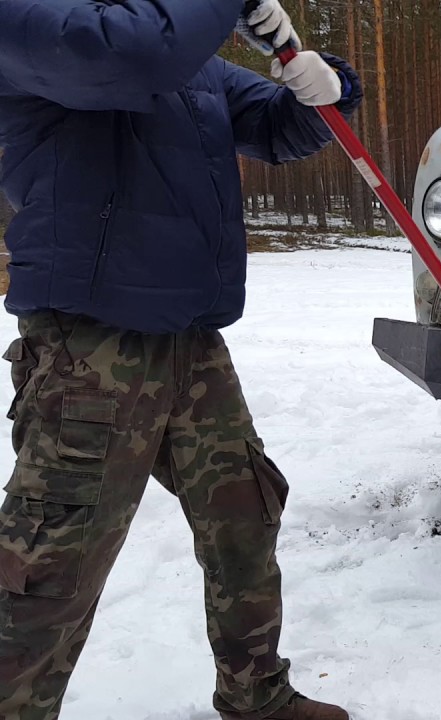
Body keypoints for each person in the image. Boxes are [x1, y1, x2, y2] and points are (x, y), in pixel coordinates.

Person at [0, 1, 363, 718]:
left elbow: (275, 127)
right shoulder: (33, 21)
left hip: (191, 341)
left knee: (244, 514)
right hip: (92, 345)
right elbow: (128, 57)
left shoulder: (193, 64)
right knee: (51, 561)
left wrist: (323, 85)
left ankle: (256, 693)